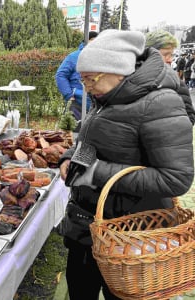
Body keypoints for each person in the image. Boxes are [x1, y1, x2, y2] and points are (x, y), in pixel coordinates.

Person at [58, 29, 194, 300]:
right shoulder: (107, 96)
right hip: (87, 228)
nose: (86, 87)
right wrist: (70, 158)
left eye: (89, 79)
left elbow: (176, 178)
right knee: (79, 289)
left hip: (129, 237)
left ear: (116, 70)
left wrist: (98, 173)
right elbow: (92, 138)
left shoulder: (160, 103)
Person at [145, 30, 195, 124]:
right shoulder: (130, 80)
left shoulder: (179, 84)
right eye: (165, 55)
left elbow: (190, 119)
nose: (170, 59)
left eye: (171, 55)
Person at [55, 31, 98, 128]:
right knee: (74, 133)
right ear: (86, 41)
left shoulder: (100, 58)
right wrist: (69, 95)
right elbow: (60, 75)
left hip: (96, 106)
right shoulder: (74, 57)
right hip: (77, 103)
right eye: (92, 40)